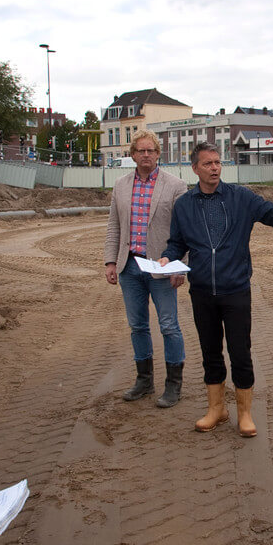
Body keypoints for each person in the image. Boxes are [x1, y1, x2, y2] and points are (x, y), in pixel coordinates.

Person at [159, 141, 273, 436]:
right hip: (202, 292)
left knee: (240, 352)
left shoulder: (240, 197)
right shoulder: (184, 205)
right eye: (208, 164)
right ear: (195, 169)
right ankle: (216, 409)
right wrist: (168, 257)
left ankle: (244, 413)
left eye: (217, 162)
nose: (215, 168)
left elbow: (272, 214)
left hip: (236, 290)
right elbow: (177, 242)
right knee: (210, 352)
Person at [104, 130, 189, 407]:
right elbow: (114, 227)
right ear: (132, 154)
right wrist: (111, 261)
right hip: (130, 267)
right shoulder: (120, 185)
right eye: (140, 150)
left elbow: (184, 231)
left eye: (150, 150)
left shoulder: (175, 185)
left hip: (162, 267)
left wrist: (179, 267)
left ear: (158, 153)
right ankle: (144, 381)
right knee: (137, 325)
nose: (146, 155)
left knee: (169, 326)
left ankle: (173, 385)